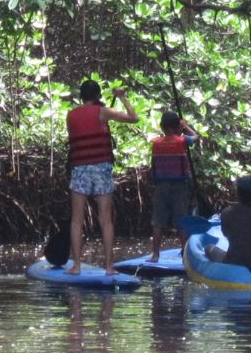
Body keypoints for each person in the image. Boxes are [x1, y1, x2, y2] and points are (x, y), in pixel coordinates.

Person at [66, 79, 139, 275]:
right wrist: (122, 97)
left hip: (80, 168)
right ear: (98, 96)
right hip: (101, 168)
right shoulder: (103, 112)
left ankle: (76, 266)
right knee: (106, 219)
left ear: (81, 96)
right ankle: (108, 267)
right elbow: (134, 118)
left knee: (76, 220)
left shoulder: (71, 115)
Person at [148, 110, 199, 262]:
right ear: (177, 126)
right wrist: (185, 127)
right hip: (179, 186)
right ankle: (185, 255)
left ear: (162, 127)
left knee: (158, 222)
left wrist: (179, 128)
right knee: (181, 221)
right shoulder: (182, 141)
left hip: (161, 186)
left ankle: (155, 255)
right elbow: (196, 137)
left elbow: (153, 168)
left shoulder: (156, 143)